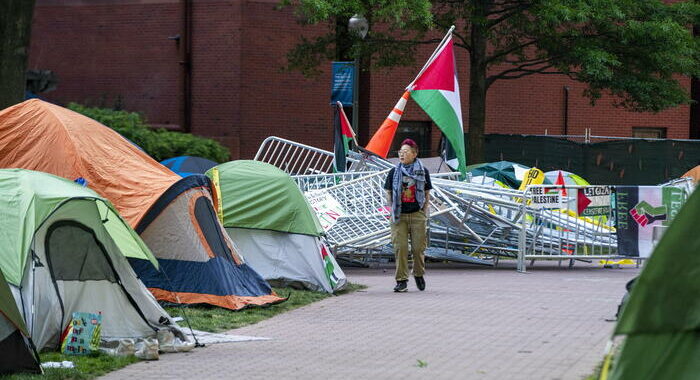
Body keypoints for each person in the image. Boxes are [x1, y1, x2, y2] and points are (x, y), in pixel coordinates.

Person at [383, 138, 432, 292]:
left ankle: (418, 273)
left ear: (414, 154)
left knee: (418, 248)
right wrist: (392, 210)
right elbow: (389, 192)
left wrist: (424, 212)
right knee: (401, 248)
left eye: (405, 152)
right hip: (399, 216)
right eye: (400, 152)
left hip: (417, 215)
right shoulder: (394, 172)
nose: (402, 155)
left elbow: (426, 193)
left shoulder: (422, 171)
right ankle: (402, 280)